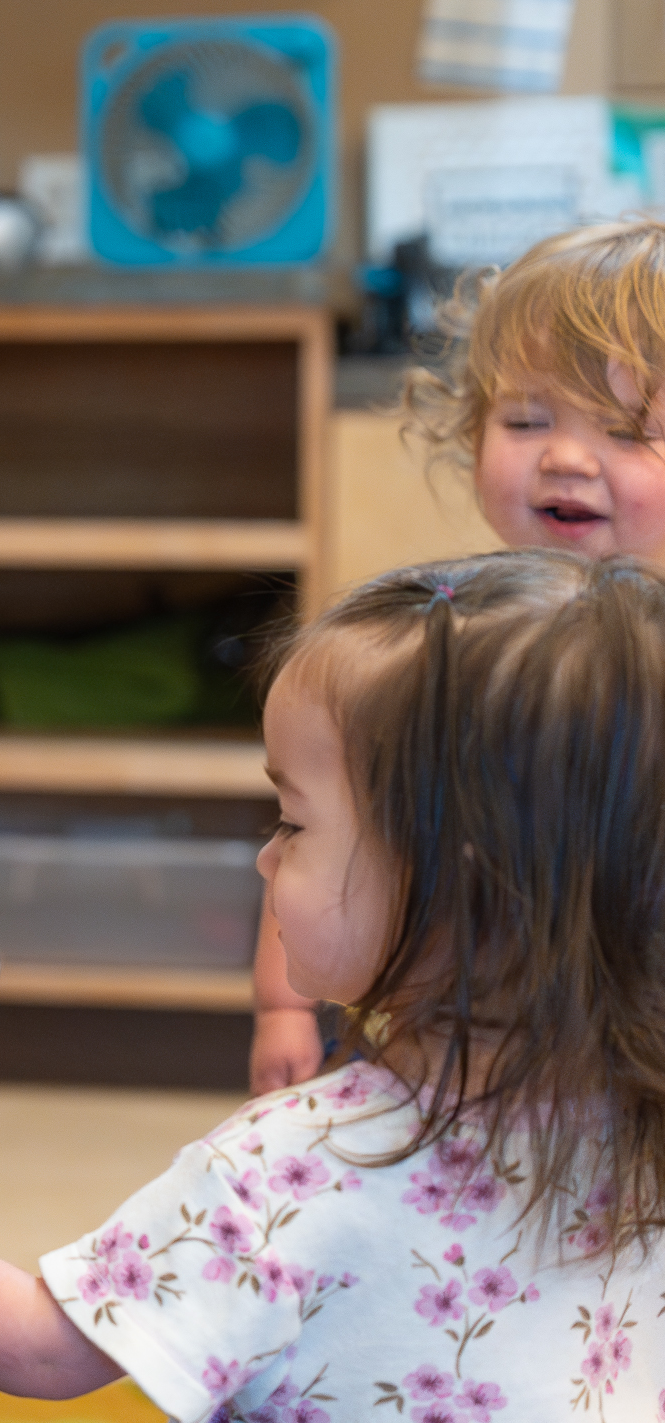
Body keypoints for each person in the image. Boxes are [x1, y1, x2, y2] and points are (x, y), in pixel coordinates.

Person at [0, 548, 665, 1419]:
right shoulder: (635, 1115)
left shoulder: (302, 1163)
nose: (263, 862)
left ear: (458, 889)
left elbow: (43, 1344)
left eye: (293, 825)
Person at [251, 216, 665, 1092]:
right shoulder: (442, 643)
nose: (562, 455)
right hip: (445, 1068)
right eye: (524, 417)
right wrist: (283, 1006)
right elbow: (313, 821)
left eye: (628, 431)